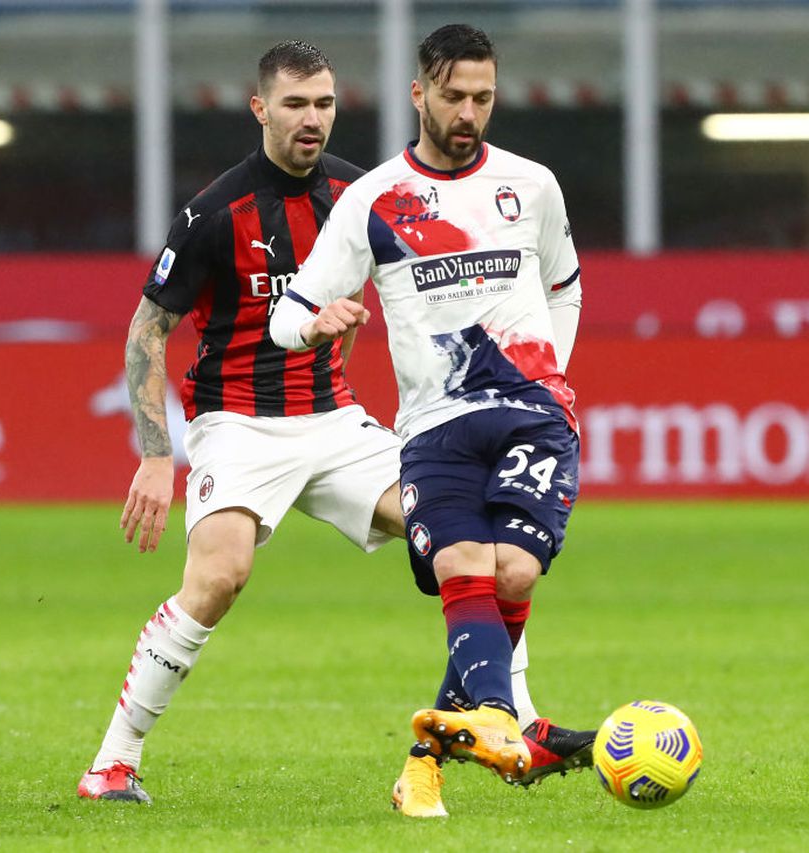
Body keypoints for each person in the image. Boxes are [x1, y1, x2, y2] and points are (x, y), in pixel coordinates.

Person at [77, 40, 590, 807]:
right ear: (260, 109)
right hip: (239, 423)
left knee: (480, 546)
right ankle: (113, 762)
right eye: (295, 104)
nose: (311, 119)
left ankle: (513, 717)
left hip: (337, 422)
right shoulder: (215, 213)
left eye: (323, 103)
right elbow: (146, 331)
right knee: (218, 577)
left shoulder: (365, 193)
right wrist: (157, 454)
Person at [270, 25, 586, 817]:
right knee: (463, 567)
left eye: (482, 97)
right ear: (419, 95)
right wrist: (314, 323)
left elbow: (565, 285)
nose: (468, 113)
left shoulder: (532, 185)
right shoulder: (374, 200)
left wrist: (552, 370)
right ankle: (474, 737)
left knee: (514, 573)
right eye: (453, 96)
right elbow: (287, 311)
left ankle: (464, 737)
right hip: (434, 426)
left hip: (530, 413)